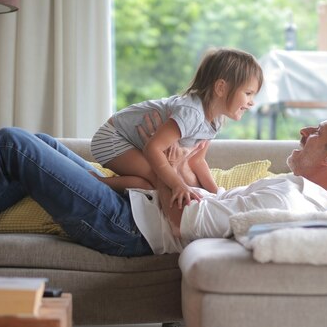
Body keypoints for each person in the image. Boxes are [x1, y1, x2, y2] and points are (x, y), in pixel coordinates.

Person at [0, 102, 327, 257]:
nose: (304, 132)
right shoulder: (296, 193)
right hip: (135, 208)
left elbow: (192, 223)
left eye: (317, 133)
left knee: (12, 143)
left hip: (126, 227)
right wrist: (181, 165)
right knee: (38, 142)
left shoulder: (293, 201)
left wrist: (164, 166)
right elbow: (218, 206)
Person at [91, 47, 263, 208]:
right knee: (159, 182)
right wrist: (178, 185)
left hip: (132, 143)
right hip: (113, 138)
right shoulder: (192, 113)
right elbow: (153, 148)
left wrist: (217, 195)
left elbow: (197, 161)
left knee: (147, 185)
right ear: (220, 88)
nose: (251, 102)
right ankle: (94, 181)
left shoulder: (215, 120)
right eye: (248, 93)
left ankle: (105, 182)